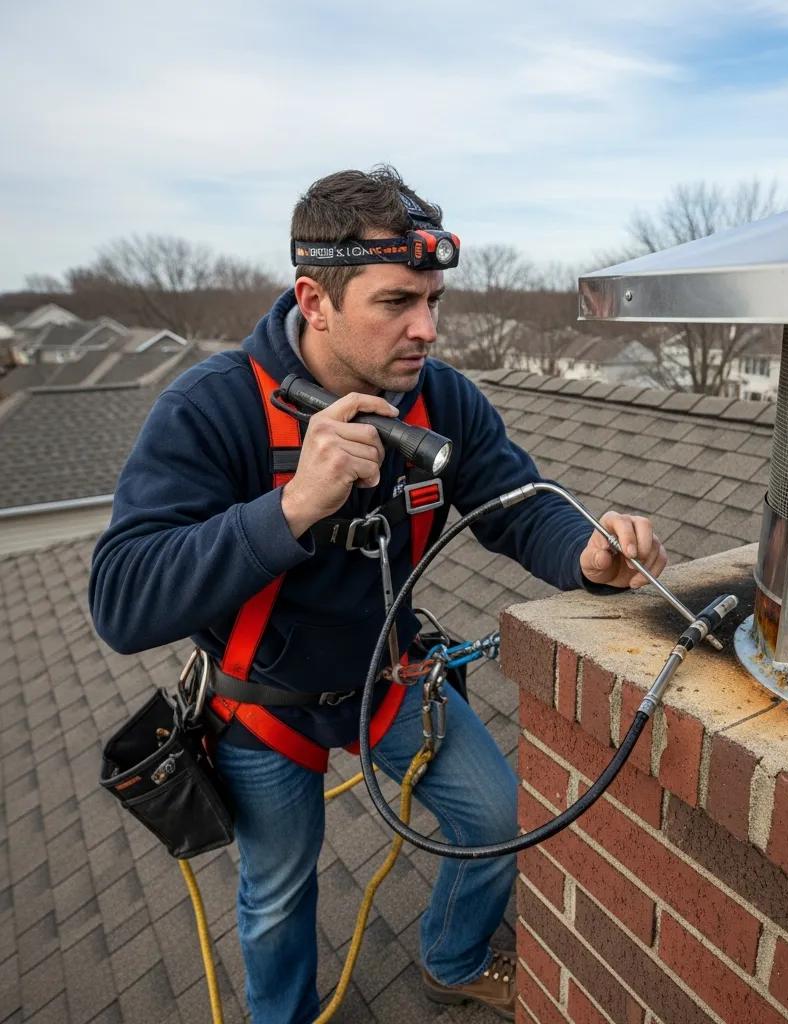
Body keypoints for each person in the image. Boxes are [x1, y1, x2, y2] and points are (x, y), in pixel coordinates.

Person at [89, 166, 668, 1024]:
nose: (426, 328)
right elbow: (123, 597)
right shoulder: (216, 410)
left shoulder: (442, 401)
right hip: (264, 705)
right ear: (314, 300)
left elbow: (517, 507)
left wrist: (586, 554)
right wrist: (288, 510)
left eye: (434, 300)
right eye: (396, 301)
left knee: (497, 821)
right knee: (279, 896)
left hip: (391, 681)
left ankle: (453, 957)